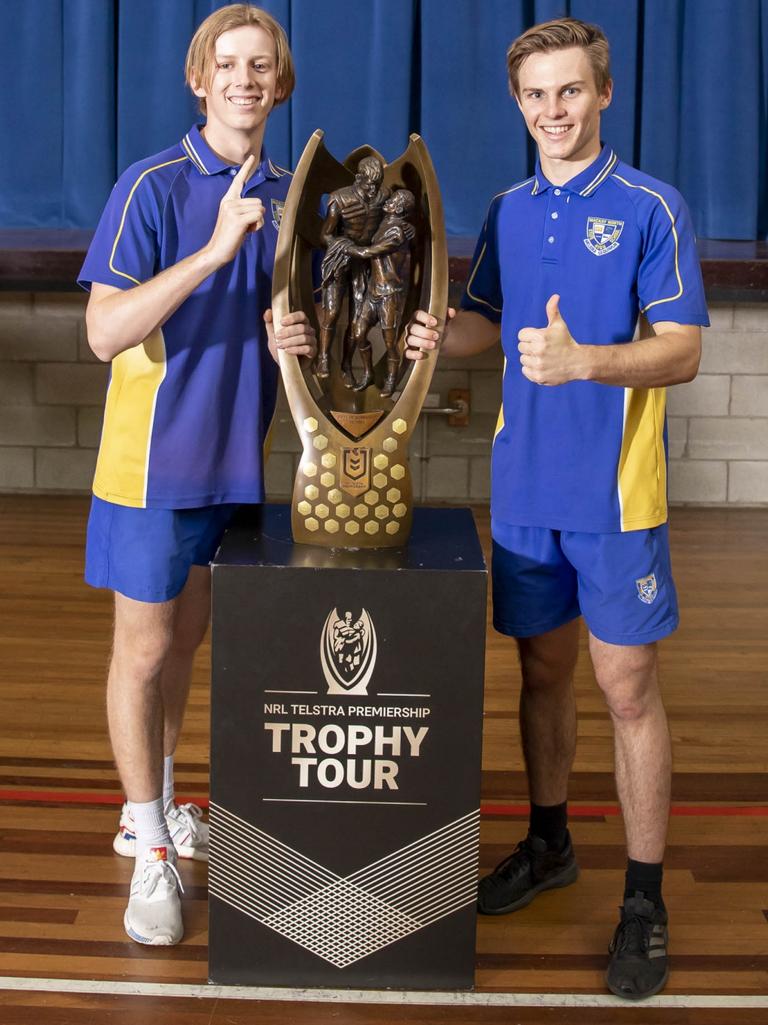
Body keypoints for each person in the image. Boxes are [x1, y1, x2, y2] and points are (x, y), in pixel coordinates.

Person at [405, 17, 708, 1001]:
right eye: (535, 95)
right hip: (525, 496)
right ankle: (549, 841)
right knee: (542, 673)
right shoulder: (507, 208)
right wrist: (427, 332)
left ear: (604, 94)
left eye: (568, 91)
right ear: (518, 102)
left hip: (615, 500)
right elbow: (484, 325)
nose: (552, 111)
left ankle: (645, 901)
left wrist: (588, 361)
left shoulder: (652, 206)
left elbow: (684, 347)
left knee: (626, 691)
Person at [78, 4, 315, 946]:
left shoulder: (299, 194)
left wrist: (291, 338)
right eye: (229, 65)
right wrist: (213, 252)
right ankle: (149, 846)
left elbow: (294, 329)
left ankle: (164, 798)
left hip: (235, 468)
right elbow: (102, 332)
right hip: (150, 468)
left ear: (281, 82)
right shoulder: (153, 185)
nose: (245, 81)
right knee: (140, 651)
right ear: (198, 77)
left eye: (262, 66)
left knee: (183, 650)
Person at [315, 156, 389, 385]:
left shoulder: (384, 197)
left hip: (364, 263)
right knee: (332, 311)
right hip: (340, 258)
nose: (372, 190)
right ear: (358, 178)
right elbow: (325, 235)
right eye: (368, 185)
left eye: (376, 186)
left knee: (357, 317)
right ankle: (324, 356)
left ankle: (347, 364)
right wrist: (347, 248)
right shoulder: (340, 198)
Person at [344, 188, 416, 395]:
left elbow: (371, 251)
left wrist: (348, 249)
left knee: (390, 342)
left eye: (394, 200)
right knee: (359, 333)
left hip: (389, 294)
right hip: (373, 290)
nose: (389, 200)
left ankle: (392, 379)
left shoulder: (397, 231)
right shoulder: (384, 223)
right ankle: (368, 374)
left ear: (400, 208)